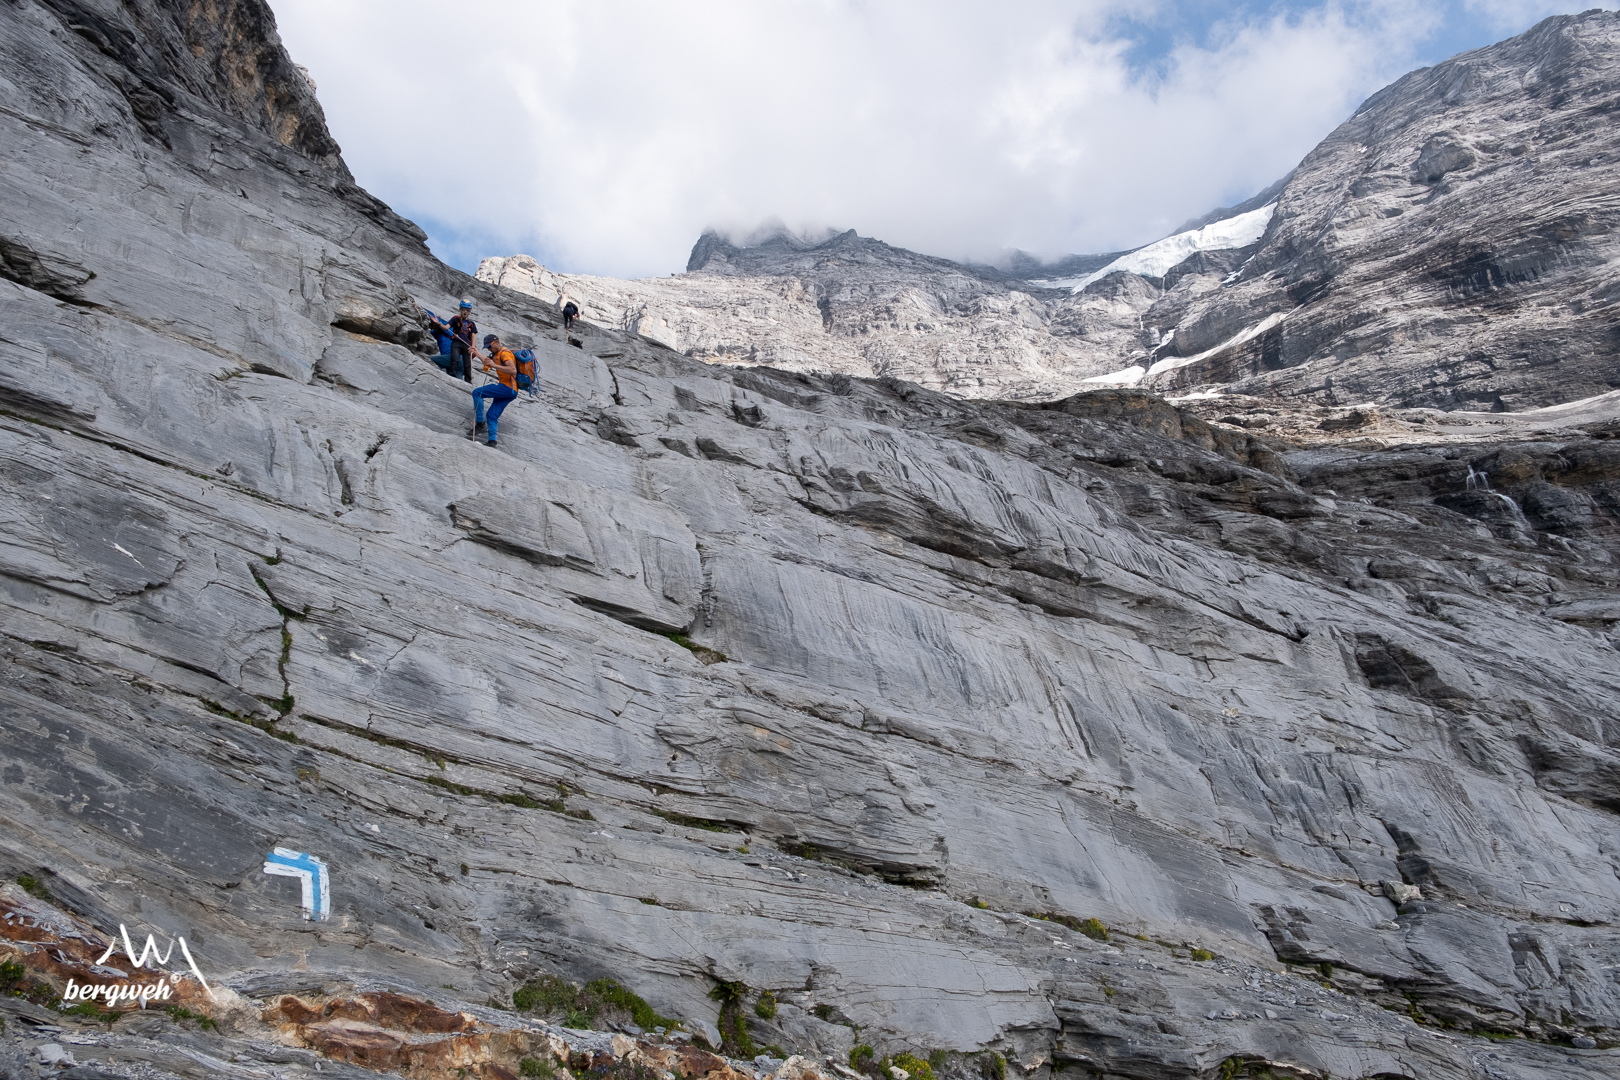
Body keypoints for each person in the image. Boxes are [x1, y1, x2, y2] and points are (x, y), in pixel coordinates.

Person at [469, 334, 518, 446]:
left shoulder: (505, 354)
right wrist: (476, 351)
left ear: (496, 342)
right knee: (491, 415)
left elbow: (513, 370)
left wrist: (494, 365)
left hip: (507, 387)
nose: (489, 349)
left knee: (477, 392)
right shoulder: (496, 355)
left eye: (490, 346)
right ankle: (492, 441)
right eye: (487, 347)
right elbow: (487, 362)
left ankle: (480, 423)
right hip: (511, 392)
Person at [448, 299, 478, 383]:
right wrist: (439, 324)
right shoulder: (455, 319)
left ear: (469, 311)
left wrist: (473, 346)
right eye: (464, 309)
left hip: (467, 344)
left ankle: (468, 381)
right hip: (456, 341)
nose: (465, 312)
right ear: (460, 309)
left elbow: (473, 335)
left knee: (468, 364)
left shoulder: (471, 323)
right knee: (455, 359)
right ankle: (452, 375)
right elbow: (446, 327)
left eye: (467, 310)